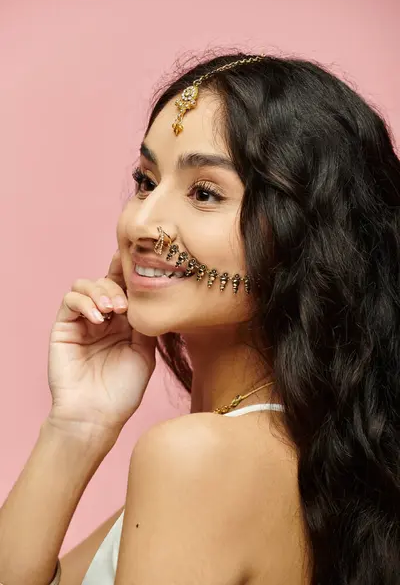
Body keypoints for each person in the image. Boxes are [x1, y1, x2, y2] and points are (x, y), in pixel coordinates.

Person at [0, 51, 399, 585]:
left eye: (204, 192)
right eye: (145, 181)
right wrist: (78, 424)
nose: (142, 221)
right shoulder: (296, 455)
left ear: (304, 235)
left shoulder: (197, 461)